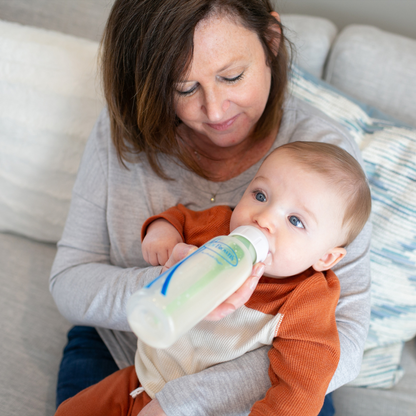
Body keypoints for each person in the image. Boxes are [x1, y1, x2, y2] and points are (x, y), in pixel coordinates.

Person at [49, 1, 372, 415]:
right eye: (184, 87)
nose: (216, 110)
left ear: (270, 41)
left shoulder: (328, 159)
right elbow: (71, 278)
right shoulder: (126, 133)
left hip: (265, 378)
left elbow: (343, 339)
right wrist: (174, 286)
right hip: (127, 355)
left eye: (232, 76)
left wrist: (183, 401)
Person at [54, 141, 372, 416]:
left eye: (294, 220)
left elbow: (301, 385)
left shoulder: (307, 301)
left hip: (214, 408)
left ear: (325, 257)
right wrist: (162, 231)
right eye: (260, 195)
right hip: (143, 377)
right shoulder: (219, 230)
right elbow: (180, 216)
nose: (264, 219)